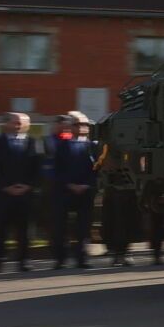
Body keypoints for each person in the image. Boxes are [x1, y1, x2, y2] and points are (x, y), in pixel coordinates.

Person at [0, 112, 41, 273]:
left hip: (25, 193)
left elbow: (37, 168)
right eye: (15, 122)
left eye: (22, 123)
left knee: (24, 230)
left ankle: (24, 260)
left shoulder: (33, 143)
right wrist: (5, 187)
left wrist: (28, 186)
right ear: (6, 124)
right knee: (0, 230)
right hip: (5, 194)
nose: (19, 126)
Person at [47, 113, 97, 269]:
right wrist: (69, 184)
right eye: (77, 124)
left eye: (85, 124)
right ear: (71, 127)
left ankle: (82, 258)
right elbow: (57, 170)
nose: (81, 127)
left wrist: (86, 185)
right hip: (64, 191)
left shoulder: (93, 146)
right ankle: (60, 259)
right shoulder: (62, 146)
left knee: (83, 227)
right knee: (60, 227)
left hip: (85, 192)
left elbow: (97, 169)